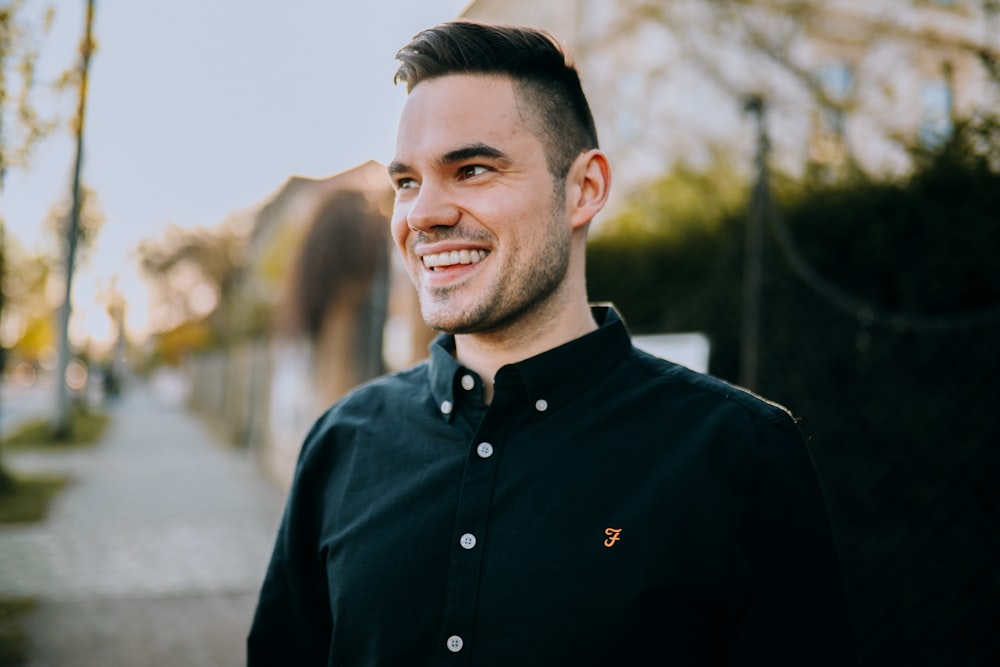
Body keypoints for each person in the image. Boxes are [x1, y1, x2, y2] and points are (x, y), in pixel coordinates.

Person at [248, 20, 857, 666]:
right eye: (406, 182)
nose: (423, 213)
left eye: (472, 169)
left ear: (584, 189)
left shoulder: (741, 455)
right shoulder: (340, 445)